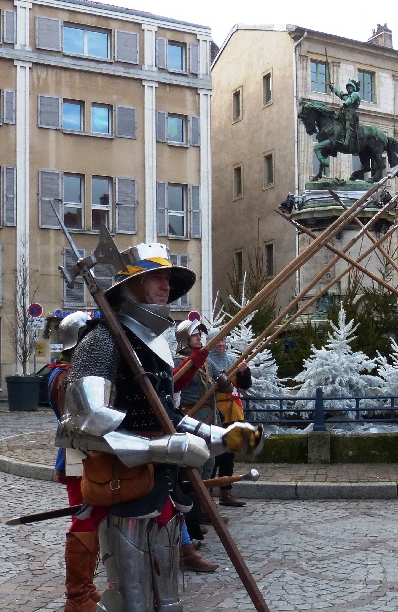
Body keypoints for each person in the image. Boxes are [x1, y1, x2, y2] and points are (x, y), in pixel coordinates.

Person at [55, 241, 264, 611]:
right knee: (131, 598)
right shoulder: (102, 340)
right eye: (156, 277)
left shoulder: (154, 345)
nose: (166, 285)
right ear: (130, 286)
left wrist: (223, 436)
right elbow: (82, 426)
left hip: (163, 485)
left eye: (168, 277)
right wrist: (159, 448)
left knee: (168, 599)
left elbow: (170, 416)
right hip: (124, 485)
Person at [46, 311, 99, 612]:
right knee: (84, 522)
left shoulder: (73, 372)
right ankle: (77, 597)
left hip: (85, 455)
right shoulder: (65, 376)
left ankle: (87, 589)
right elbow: (78, 422)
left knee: (93, 519)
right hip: (77, 456)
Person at [172, 319, 220, 573]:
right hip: (189, 416)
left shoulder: (202, 358)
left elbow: (218, 379)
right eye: (195, 336)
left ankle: (201, 513)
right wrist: (194, 361)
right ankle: (192, 524)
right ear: (184, 339)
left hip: (209, 415)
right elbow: (176, 381)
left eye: (200, 336)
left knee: (207, 466)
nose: (199, 338)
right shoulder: (176, 358)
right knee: (190, 474)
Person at [209, 328, 253, 508]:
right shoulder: (207, 361)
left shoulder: (232, 360)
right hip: (215, 411)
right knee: (214, 455)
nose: (221, 344)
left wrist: (244, 372)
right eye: (217, 341)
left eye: (223, 340)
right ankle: (207, 491)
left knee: (229, 454)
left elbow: (244, 385)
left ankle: (226, 492)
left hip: (234, 412)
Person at [330, 78, 361, 150]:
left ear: (353, 87)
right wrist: (333, 89)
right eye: (348, 86)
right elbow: (341, 94)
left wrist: (344, 104)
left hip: (351, 113)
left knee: (348, 125)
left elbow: (350, 100)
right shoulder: (347, 96)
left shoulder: (355, 94)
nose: (349, 88)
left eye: (350, 86)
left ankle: (346, 141)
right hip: (344, 113)